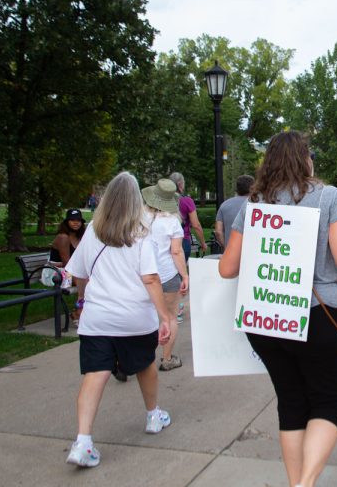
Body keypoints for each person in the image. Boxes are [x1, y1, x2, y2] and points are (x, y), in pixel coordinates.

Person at [219, 130, 337, 487]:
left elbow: (227, 268)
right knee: (326, 402)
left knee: (291, 402)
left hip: (265, 319)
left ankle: (296, 483)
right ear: (305, 159)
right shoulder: (327, 197)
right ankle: (305, 484)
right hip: (317, 315)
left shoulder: (254, 205)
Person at [64, 172, 172, 469]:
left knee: (95, 374)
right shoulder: (140, 233)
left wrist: (83, 303)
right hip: (135, 317)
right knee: (145, 365)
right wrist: (164, 316)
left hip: (98, 318)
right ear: (136, 200)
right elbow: (150, 278)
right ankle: (153, 415)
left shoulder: (91, 231)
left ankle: (83, 441)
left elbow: (80, 273)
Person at [141, 178, 189, 372]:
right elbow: (176, 252)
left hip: (142, 275)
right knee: (169, 317)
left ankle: (129, 358)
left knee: (142, 316)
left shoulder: (139, 219)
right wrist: (185, 275)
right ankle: (167, 358)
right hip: (167, 275)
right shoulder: (172, 223)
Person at [169, 172, 207, 261]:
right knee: (181, 271)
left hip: (164, 241)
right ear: (180, 184)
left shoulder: (163, 201)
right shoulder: (186, 201)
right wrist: (203, 243)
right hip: (182, 241)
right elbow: (196, 225)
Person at [214, 174, 254, 251]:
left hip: (231, 251)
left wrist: (225, 246)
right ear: (252, 188)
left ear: (237, 188)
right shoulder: (257, 205)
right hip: (251, 251)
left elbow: (218, 232)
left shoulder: (224, 205)